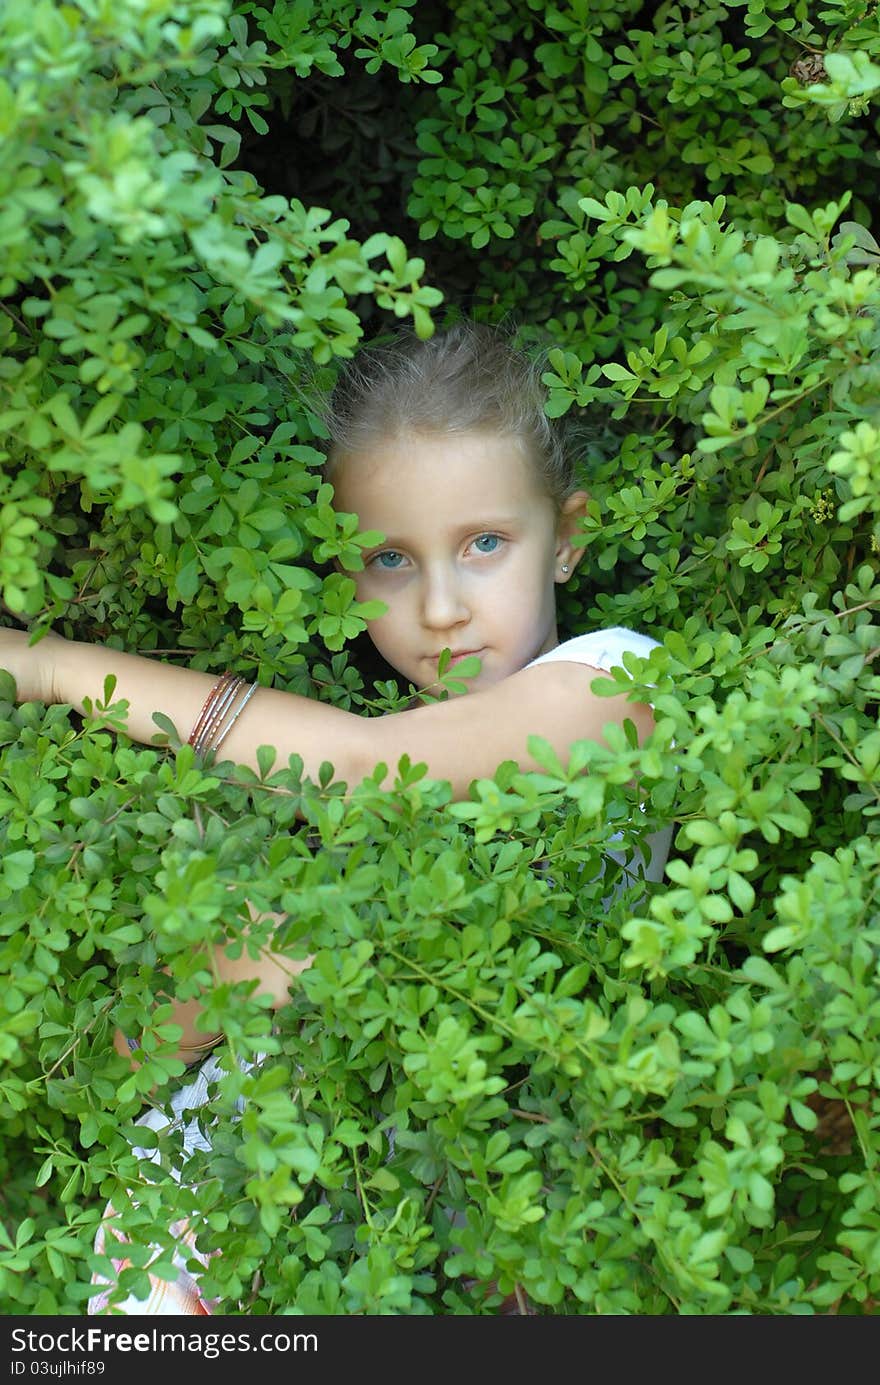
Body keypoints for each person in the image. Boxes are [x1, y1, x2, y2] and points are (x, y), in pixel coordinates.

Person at [0, 320, 672, 1314]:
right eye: (390, 560)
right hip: (202, 1227)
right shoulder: (332, 756)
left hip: (428, 1240)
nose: (441, 606)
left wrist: (53, 667)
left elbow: (368, 771)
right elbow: (156, 1041)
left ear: (567, 536)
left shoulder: (618, 679)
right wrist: (201, 992)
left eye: (484, 543)